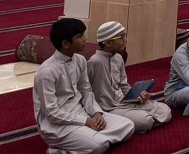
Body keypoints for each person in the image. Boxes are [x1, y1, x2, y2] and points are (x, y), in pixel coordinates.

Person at [33, 18, 135, 154]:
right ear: (66, 44)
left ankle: (87, 141)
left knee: (128, 125)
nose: (85, 39)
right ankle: (62, 149)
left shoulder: (80, 60)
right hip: (58, 125)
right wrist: (86, 121)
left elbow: (86, 92)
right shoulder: (46, 72)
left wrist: (96, 113)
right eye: (79, 36)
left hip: (82, 113)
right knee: (99, 145)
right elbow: (51, 113)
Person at [87, 21, 172, 134]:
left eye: (125, 36)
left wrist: (137, 96)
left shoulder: (118, 58)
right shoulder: (95, 61)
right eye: (121, 37)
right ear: (108, 42)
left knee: (165, 110)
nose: (125, 40)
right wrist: (96, 112)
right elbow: (86, 91)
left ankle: (128, 122)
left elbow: (123, 86)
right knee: (145, 120)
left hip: (124, 102)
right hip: (108, 108)